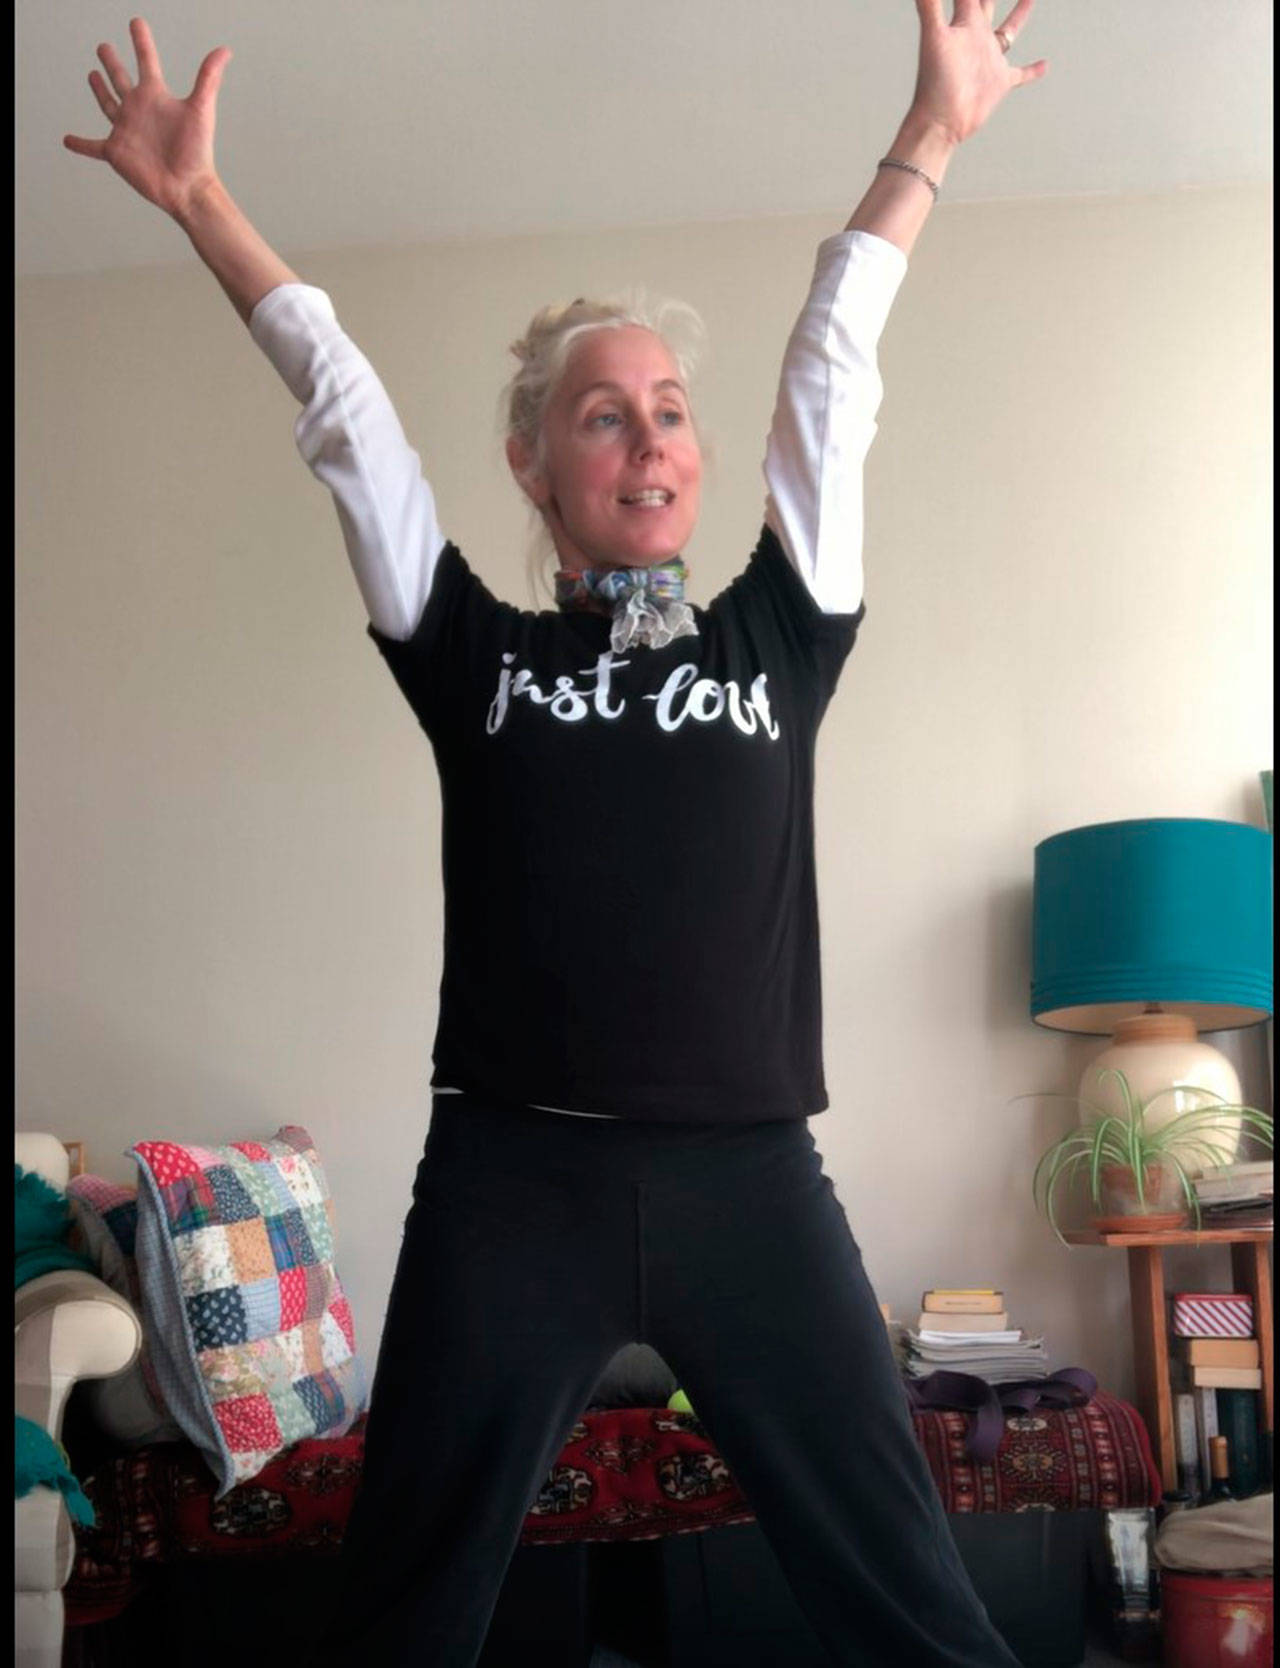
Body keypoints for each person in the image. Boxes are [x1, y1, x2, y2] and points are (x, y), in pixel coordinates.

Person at [65, 6, 1047, 1664]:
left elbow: (835, 370)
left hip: (754, 1179)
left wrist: (931, 141)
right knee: (408, 1608)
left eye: (668, 408)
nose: (648, 434)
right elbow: (350, 423)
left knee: (910, 1601)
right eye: (602, 413)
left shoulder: (780, 631)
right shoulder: (476, 658)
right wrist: (206, 209)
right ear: (536, 463)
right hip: (511, 1184)